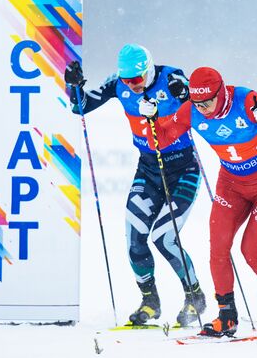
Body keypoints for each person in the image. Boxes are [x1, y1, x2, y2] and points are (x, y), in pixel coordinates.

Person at [141, 66, 257, 336]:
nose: (202, 108)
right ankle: (227, 314)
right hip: (231, 184)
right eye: (197, 102)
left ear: (221, 92)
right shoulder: (191, 109)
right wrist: (152, 119)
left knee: (252, 250)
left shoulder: (248, 101)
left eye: (208, 102)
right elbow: (159, 141)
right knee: (218, 248)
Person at [64, 44, 206, 326]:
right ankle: (150, 301)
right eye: (128, 81)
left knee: (165, 238)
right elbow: (79, 107)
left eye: (137, 80)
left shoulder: (172, 78)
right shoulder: (119, 85)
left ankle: (195, 297)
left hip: (183, 169)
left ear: (149, 69)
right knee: (135, 238)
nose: (133, 86)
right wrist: (74, 86)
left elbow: (201, 105)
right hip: (149, 169)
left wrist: (186, 97)